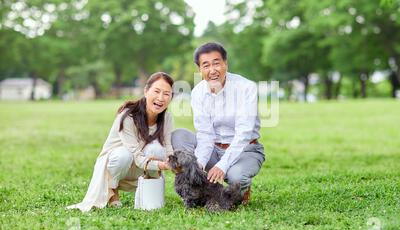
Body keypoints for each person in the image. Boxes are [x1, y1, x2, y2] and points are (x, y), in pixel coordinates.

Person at [172, 42, 265, 205]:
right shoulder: (198, 93)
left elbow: (244, 133)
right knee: (179, 136)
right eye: (206, 65)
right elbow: (205, 135)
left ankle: (240, 187)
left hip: (246, 150)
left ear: (225, 64)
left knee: (235, 177)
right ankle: (196, 186)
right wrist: (198, 165)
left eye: (216, 63)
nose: (212, 70)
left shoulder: (246, 88)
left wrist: (222, 166)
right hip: (215, 149)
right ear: (199, 69)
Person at [67, 72, 174, 212]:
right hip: (119, 164)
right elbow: (135, 154)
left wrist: (174, 161)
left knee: (158, 149)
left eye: (167, 94)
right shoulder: (128, 116)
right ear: (146, 91)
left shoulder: (167, 117)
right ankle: (112, 190)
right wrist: (162, 165)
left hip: (140, 165)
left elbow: (168, 145)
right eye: (157, 91)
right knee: (125, 154)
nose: (161, 98)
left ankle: (148, 188)